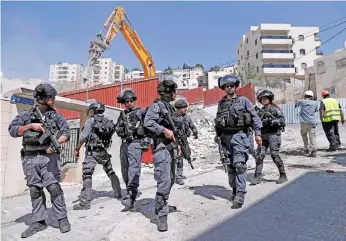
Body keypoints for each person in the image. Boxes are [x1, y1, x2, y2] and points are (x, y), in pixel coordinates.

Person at [8, 83, 71, 238]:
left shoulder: (56, 116)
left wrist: (57, 142)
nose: (53, 100)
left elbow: (66, 133)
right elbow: (12, 130)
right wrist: (30, 126)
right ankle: (39, 221)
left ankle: (62, 218)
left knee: (54, 188)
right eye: (50, 97)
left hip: (48, 157)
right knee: (35, 190)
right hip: (30, 158)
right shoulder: (25, 115)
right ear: (41, 98)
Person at [214, 74, 262, 209]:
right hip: (225, 139)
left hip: (240, 136)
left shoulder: (243, 101)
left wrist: (258, 134)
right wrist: (217, 135)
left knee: (239, 164)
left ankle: (240, 193)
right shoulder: (222, 103)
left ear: (235, 87)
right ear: (223, 88)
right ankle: (234, 189)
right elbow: (218, 121)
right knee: (230, 167)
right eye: (227, 86)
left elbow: (255, 117)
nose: (230, 88)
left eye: (232, 86)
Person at [143, 78, 180, 231]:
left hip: (170, 147)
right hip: (161, 148)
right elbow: (148, 122)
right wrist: (164, 131)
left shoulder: (169, 108)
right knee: (164, 181)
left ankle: (162, 204)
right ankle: (162, 216)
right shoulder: (156, 106)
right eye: (173, 91)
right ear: (167, 92)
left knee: (171, 179)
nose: (175, 94)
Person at [73, 101, 122, 210]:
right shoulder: (107, 121)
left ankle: (85, 203)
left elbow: (83, 137)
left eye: (91, 110)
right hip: (103, 151)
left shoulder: (91, 121)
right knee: (110, 171)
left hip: (92, 152)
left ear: (94, 110)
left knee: (87, 174)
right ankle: (118, 192)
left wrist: (77, 148)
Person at [115, 88, 150, 208]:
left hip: (135, 143)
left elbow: (148, 126)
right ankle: (128, 189)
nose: (129, 103)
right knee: (125, 169)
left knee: (134, 169)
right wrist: (123, 128)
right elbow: (117, 129)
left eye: (131, 101)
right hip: (124, 143)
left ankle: (132, 195)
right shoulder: (122, 114)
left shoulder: (140, 112)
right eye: (127, 101)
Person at [250, 89, 287, 186]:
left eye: (266, 98)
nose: (264, 100)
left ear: (270, 99)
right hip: (263, 136)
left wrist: (271, 121)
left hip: (273, 135)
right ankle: (257, 176)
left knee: (274, 155)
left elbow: (282, 121)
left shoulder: (274, 109)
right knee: (259, 156)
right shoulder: (260, 111)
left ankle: (283, 175)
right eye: (262, 99)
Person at [174, 99, 198, 185]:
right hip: (175, 141)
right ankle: (174, 176)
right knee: (176, 159)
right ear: (178, 109)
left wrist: (195, 132)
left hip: (184, 140)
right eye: (183, 107)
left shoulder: (187, 118)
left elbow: (192, 126)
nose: (185, 109)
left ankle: (179, 177)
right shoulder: (174, 118)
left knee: (185, 156)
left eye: (185, 107)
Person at [295, 90, 319, 157]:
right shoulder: (315, 103)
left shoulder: (301, 102)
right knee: (312, 136)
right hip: (312, 122)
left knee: (304, 135)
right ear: (311, 96)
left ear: (305, 96)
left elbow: (296, 104)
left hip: (303, 122)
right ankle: (313, 150)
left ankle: (306, 149)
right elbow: (316, 110)